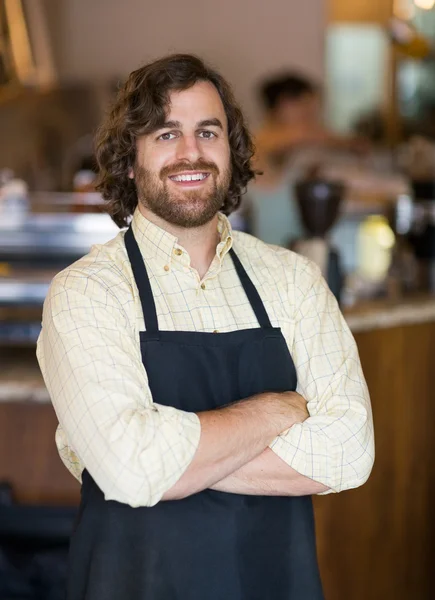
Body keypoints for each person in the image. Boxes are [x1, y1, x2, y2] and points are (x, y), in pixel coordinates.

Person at [37, 54, 374, 600]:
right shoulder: (87, 290)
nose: (190, 152)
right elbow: (128, 468)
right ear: (129, 160)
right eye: (166, 133)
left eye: (207, 132)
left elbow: (349, 452)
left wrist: (168, 465)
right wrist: (277, 409)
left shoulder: (292, 280)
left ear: (231, 150)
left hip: (273, 584)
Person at [241, 72, 367, 247]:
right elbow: (306, 135)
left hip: (288, 250)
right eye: (307, 110)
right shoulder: (262, 142)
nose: (312, 119)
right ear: (285, 105)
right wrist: (352, 144)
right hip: (265, 251)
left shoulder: (289, 150)